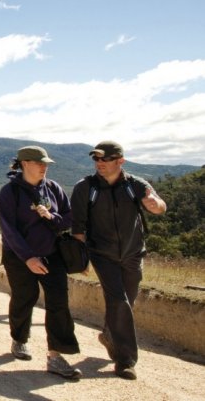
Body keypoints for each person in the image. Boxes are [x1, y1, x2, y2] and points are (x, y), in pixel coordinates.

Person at [70, 141, 167, 381]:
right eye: (96, 159)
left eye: (105, 159)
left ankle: (108, 335)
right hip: (102, 255)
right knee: (119, 300)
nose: (99, 164)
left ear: (120, 161)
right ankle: (125, 361)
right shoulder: (86, 188)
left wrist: (156, 206)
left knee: (127, 301)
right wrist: (82, 260)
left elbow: (158, 203)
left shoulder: (135, 184)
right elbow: (78, 228)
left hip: (133, 254)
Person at [0, 145, 82, 380]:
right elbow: (9, 231)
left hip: (51, 254)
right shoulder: (9, 193)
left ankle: (56, 355)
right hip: (19, 257)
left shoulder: (53, 188)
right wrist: (28, 258)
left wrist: (51, 216)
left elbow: (68, 217)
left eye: (46, 164)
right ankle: (19, 339)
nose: (44, 167)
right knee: (25, 298)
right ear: (24, 164)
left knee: (58, 302)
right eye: (39, 163)